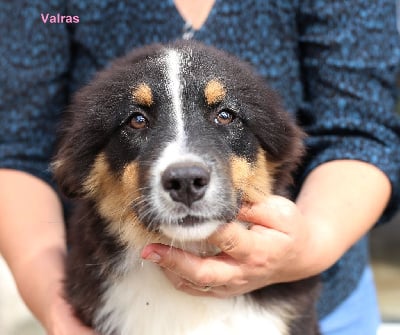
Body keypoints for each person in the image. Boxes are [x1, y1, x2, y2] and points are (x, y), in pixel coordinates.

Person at [1, 1, 399, 334]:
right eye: (137, 121)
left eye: (225, 116)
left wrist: (309, 246)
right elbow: (14, 149)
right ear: (83, 173)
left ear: (278, 156)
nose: (185, 169)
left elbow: (362, 129)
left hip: (322, 294)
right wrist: (55, 305)